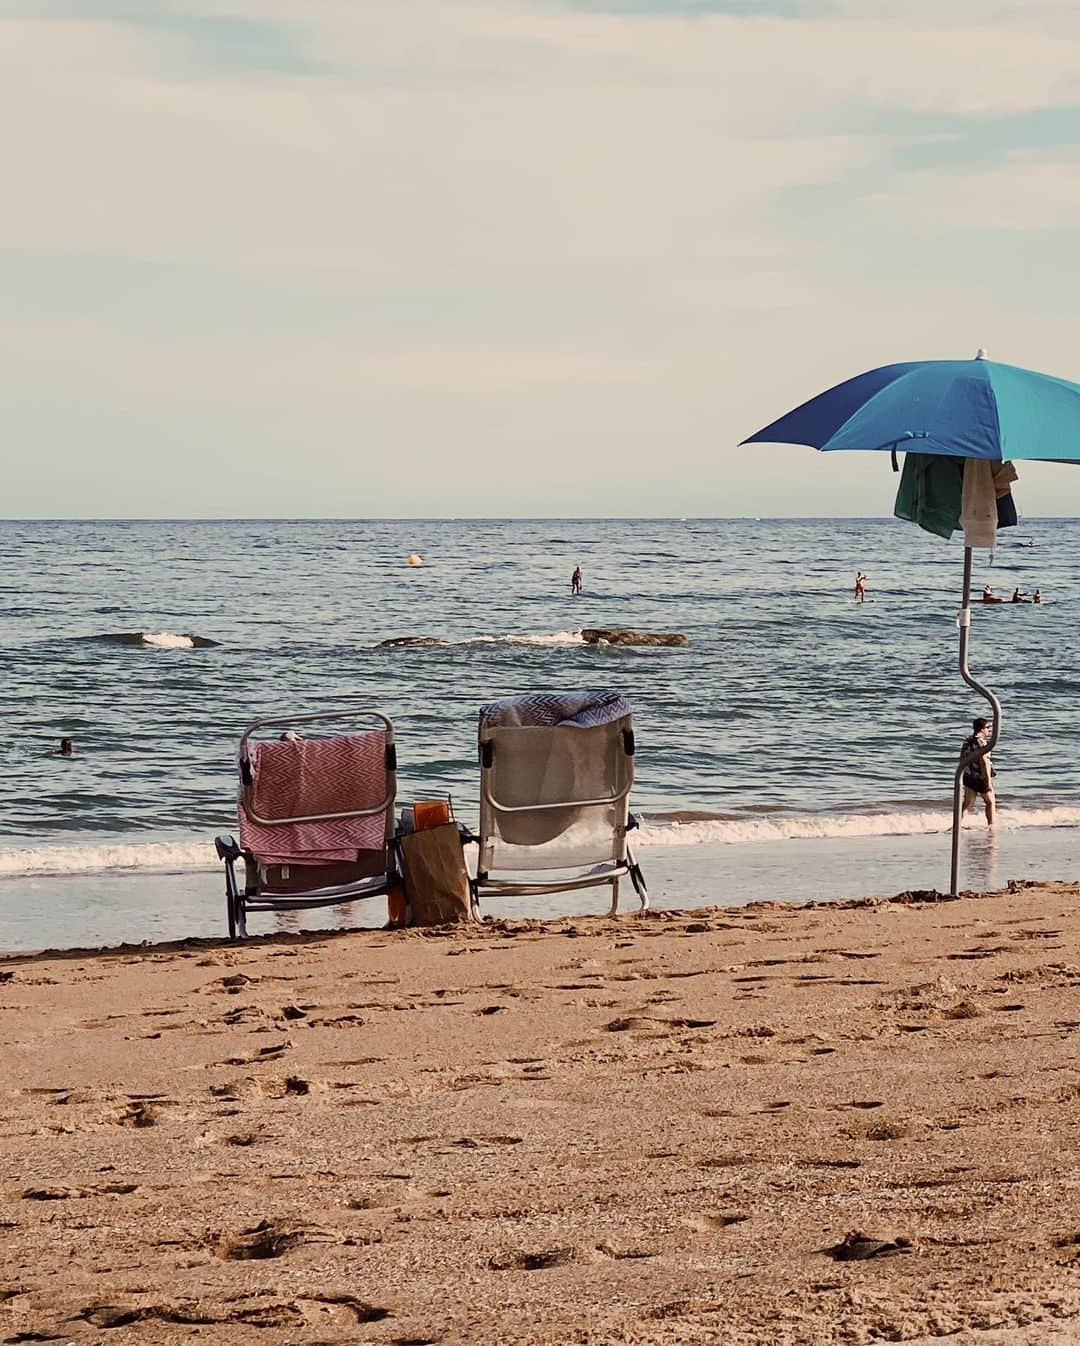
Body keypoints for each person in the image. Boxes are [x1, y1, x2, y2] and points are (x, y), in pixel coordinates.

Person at [961, 716, 996, 826]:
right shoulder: (982, 743)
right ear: (982, 729)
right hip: (979, 776)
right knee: (990, 802)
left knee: (967, 804)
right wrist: (988, 779)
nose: (989, 730)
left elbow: (962, 758)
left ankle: (957, 825)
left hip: (968, 775)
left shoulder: (967, 741)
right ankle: (991, 825)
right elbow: (984, 761)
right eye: (987, 728)